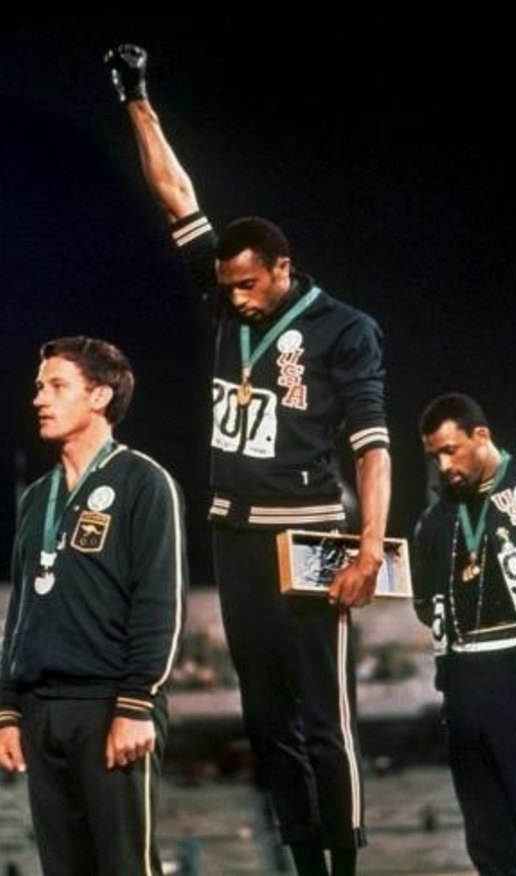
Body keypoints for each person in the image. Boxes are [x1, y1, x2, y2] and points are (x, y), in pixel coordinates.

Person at [104, 44, 391, 876]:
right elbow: (177, 199)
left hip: (308, 536)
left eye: (249, 286)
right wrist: (137, 99)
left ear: (284, 269)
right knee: (265, 720)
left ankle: (343, 864)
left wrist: (370, 546)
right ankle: (303, 860)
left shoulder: (346, 330)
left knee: (324, 717)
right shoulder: (226, 291)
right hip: (234, 534)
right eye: (227, 286)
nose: (233, 298)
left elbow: (371, 444)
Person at [412, 258, 516, 875]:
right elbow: (419, 599)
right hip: (461, 682)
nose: (444, 466)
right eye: (435, 456)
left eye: (452, 450)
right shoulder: (434, 522)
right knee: (488, 849)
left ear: (481, 435)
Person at [0, 336, 188, 876]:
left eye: (57, 386)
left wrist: (137, 703)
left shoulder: (145, 483)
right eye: (39, 387)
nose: (39, 398)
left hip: (111, 708)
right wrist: (10, 708)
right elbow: (21, 609)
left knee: (126, 866)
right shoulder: (37, 497)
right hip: (41, 711)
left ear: (100, 396)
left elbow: (160, 603)